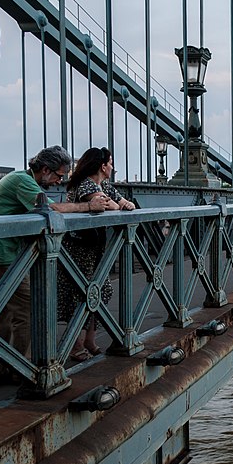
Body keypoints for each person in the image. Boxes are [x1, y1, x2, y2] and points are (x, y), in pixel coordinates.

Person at [0, 145, 114, 385]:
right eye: (58, 175)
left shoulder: (22, 179)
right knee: (27, 308)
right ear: (45, 169)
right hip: (2, 253)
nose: (59, 181)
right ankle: (21, 368)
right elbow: (51, 209)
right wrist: (89, 206)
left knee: (0, 313)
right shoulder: (22, 182)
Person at [57, 147, 135, 361]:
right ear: (102, 166)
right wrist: (118, 206)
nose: (113, 167)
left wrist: (121, 205)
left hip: (94, 249)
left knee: (100, 291)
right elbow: (104, 204)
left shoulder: (105, 184)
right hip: (77, 249)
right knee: (81, 296)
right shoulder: (86, 184)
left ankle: (89, 340)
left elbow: (123, 202)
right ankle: (76, 345)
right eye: (111, 163)